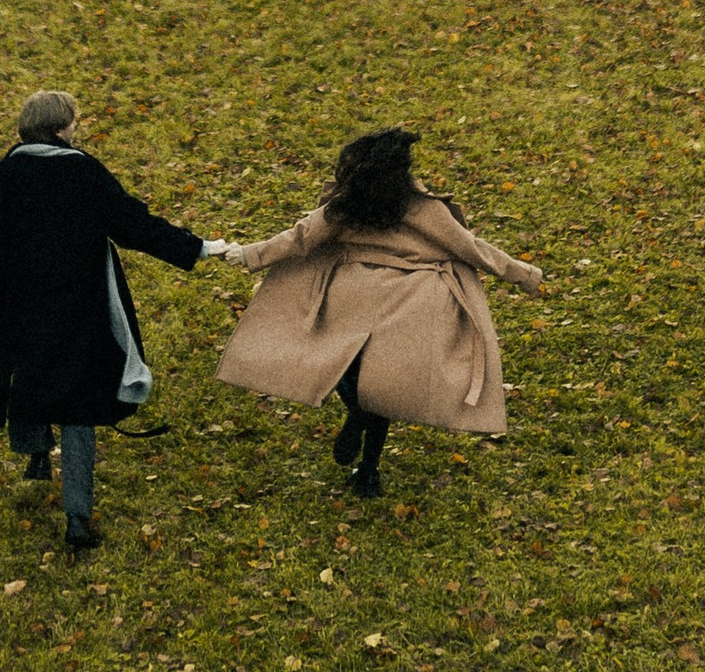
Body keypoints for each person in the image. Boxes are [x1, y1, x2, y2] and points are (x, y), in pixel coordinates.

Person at [0, 90, 231, 554]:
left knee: (26, 377)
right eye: (73, 123)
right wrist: (198, 248)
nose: (76, 129)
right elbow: (133, 224)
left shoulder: (3, 175)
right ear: (60, 129)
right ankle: (77, 517)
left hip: (15, 304)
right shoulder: (84, 171)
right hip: (78, 306)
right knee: (77, 401)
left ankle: (35, 455)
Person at [217, 126, 543, 497]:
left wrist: (249, 254)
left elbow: (301, 237)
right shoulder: (424, 208)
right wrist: (524, 275)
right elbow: (471, 248)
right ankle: (369, 467)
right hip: (408, 301)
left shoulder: (347, 205)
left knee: (344, 365)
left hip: (350, 296)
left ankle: (358, 414)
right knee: (381, 384)